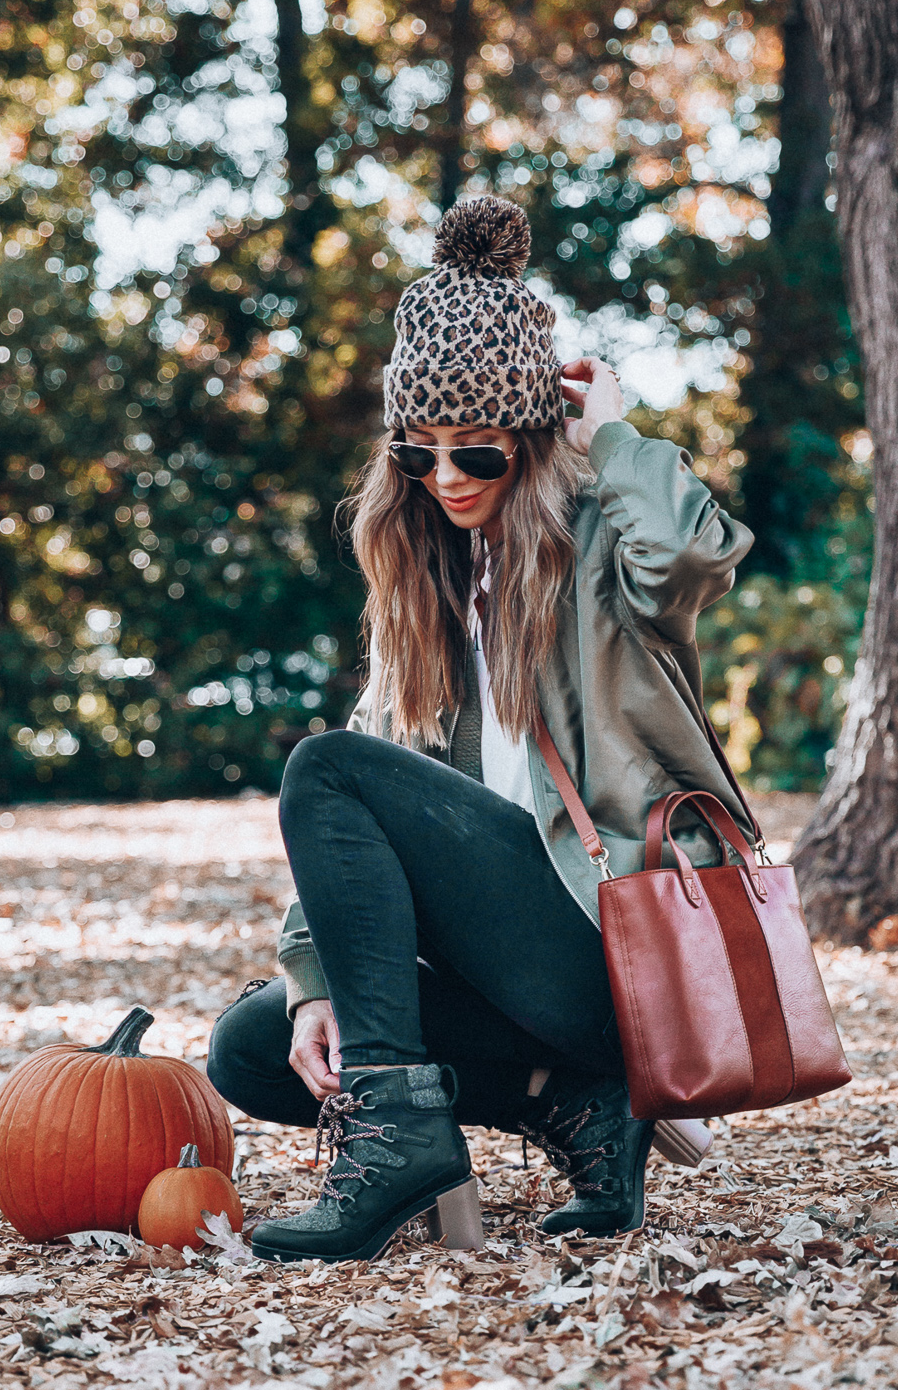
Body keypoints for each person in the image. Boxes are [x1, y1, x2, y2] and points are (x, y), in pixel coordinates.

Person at [208, 195, 756, 1264]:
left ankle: (401, 1130)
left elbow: (695, 558)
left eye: (479, 454)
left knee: (323, 770)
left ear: (532, 442)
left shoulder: (600, 542)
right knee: (253, 1044)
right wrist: (316, 981)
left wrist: (617, 439)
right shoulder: (428, 588)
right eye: (420, 456)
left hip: (624, 952)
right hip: (521, 979)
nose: (449, 479)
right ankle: (580, 1104)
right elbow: (383, 799)